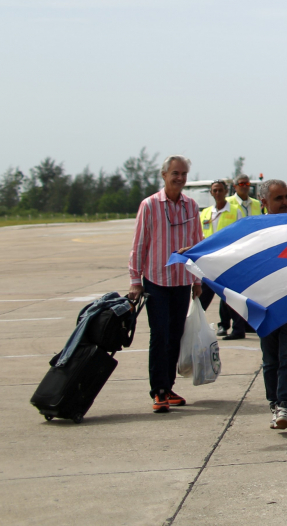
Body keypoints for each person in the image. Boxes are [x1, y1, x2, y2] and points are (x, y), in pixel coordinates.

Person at [127, 155, 203, 413]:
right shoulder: (149, 206)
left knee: (175, 336)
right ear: (164, 175)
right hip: (156, 281)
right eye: (175, 174)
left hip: (182, 281)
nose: (179, 178)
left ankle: (168, 387)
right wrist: (135, 281)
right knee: (159, 335)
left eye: (183, 174)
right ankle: (158, 390)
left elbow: (197, 244)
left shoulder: (190, 206)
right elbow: (140, 245)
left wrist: (197, 278)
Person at [256, 179, 287, 430]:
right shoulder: (252, 229)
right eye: (278, 198)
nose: (285, 202)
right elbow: (223, 245)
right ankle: (274, 403)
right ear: (264, 202)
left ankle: (285, 404)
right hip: (264, 303)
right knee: (270, 359)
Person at [197, 180, 247, 339]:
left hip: (227, 261)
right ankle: (195, 326)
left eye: (220, 190)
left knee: (230, 297)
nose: (217, 193)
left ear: (226, 192)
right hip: (207, 261)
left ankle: (238, 329)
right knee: (202, 297)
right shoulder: (205, 213)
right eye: (215, 191)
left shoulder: (235, 211)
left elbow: (240, 235)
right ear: (211, 193)